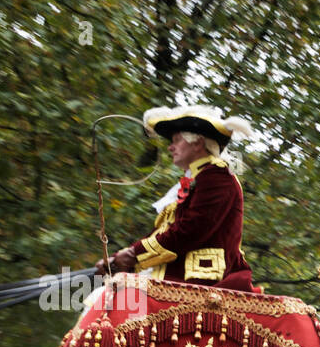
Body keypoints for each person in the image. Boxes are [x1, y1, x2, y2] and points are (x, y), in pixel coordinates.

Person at [96, 105, 255, 291]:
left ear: (197, 142)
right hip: (179, 274)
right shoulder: (198, 177)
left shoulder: (216, 176)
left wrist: (133, 255)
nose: (170, 147)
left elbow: (189, 231)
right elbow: (166, 231)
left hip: (203, 279)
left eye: (177, 140)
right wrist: (119, 257)